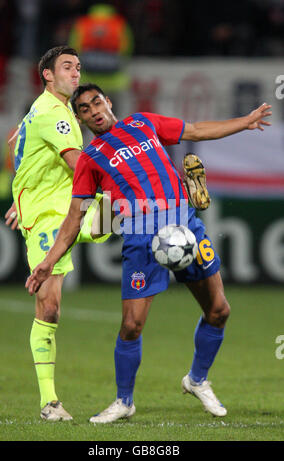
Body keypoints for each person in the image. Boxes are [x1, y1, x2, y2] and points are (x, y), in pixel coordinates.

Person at [26, 83, 272, 423]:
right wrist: (48, 261)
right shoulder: (90, 159)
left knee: (218, 311)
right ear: (81, 119)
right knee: (131, 325)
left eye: (96, 102)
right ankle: (124, 401)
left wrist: (244, 122)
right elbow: (75, 216)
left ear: (108, 102)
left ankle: (197, 380)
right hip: (142, 240)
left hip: (184, 226)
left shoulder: (143, 123)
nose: (93, 110)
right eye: (83, 109)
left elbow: (197, 130)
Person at [5, 48, 110, 422]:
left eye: (79, 67)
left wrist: (21, 195)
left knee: (124, 212)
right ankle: (49, 402)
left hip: (66, 208)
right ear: (47, 74)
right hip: (51, 217)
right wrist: (27, 200)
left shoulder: (50, 109)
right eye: (67, 67)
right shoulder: (54, 115)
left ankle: (167, 205)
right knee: (49, 305)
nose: (75, 72)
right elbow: (77, 165)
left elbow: (22, 149)